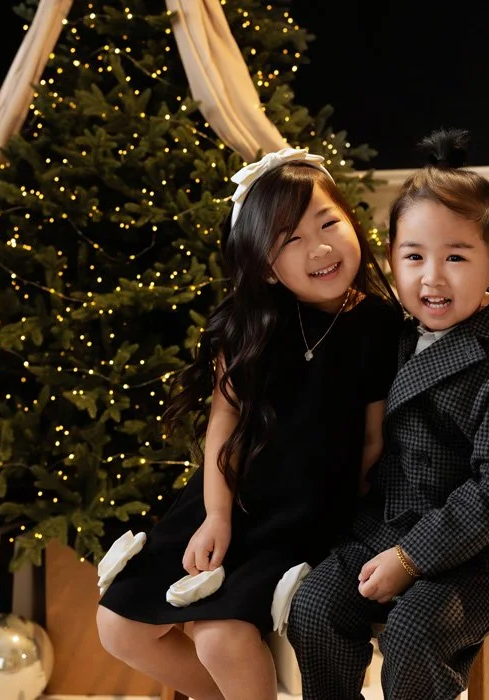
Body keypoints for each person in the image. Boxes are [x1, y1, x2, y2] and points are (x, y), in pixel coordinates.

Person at [95, 148, 403, 700]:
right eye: (290, 240)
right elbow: (223, 427)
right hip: (229, 499)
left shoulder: (379, 325)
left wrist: (356, 523)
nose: (321, 248)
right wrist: (215, 515)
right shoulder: (249, 326)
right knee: (116, 625)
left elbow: (374, 438)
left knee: (219, 639)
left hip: (305, 517)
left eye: (328, 223)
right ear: (264, 264)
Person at [288, 128, 489, 700]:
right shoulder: (393, 332)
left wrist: (411, 558)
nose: (432, 277)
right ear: (392, 259)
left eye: (456, 257)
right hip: (384, 525)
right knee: (314, 608)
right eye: (414, 257)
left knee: (412, 634)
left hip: (475, 554)